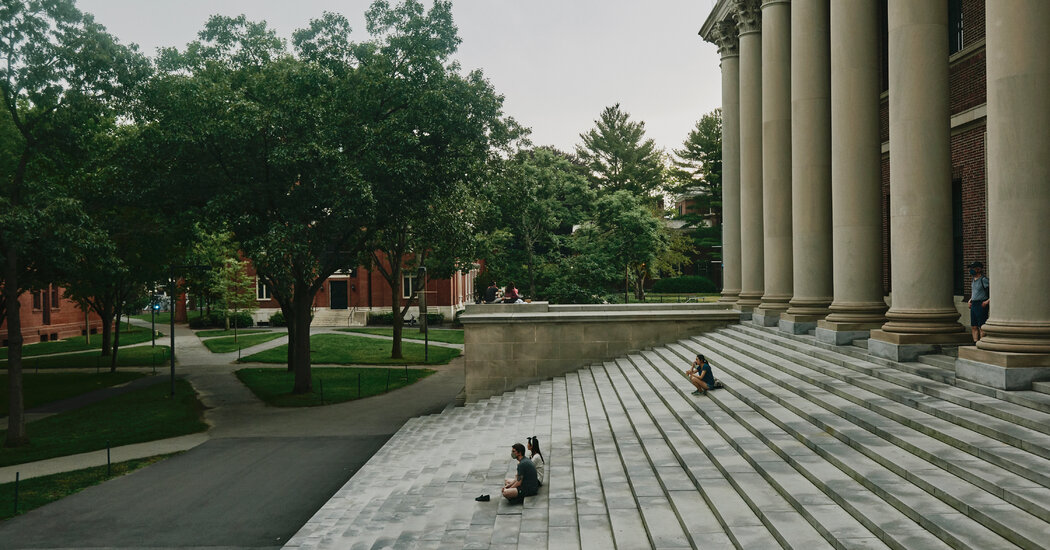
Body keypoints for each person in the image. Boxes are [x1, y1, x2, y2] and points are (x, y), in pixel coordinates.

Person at [968, 261, 990, 343]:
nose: (971, 270)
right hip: (974, 304)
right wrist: (970, 300)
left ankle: (982, 342)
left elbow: (992, 291)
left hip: (981, 304)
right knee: (974, 326)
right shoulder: (973, 280)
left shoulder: (984, 280)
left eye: (972, 268)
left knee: (982, 325)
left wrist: (987, 301)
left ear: (978, 269)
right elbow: (974, 292)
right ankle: (975, 342)